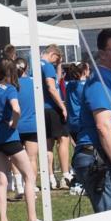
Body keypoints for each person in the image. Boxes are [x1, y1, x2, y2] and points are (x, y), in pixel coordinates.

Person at [0, 58, 39, 221]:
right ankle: (32, 219)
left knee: (1, 180)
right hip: (10, 138)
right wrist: (14, 123)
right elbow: (16, 109)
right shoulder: (10, 89)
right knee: (29, 176)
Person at [74, 29, 111, 212]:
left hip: (109, 159)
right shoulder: (99, 81)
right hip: (101, 160)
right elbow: (103, 126)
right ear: (102, 54)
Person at [40, 44, 71, 189]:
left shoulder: (36, 64)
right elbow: (52, 88)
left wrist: (58, 65)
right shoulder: (47, 66)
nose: (55, 63)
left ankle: (50, 177)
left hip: (42, 109)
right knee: (63, 139)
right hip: (52, 108)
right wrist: (62, 106)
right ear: (52, 54)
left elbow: (56, 81)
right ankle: (65, 175)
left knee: (47, 144)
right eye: (55, 60)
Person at [15, 57, 40, 197]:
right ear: (26, 68)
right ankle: (31, 187)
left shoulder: (12, 84)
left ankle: (19, 186)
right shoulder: (33, 83)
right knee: (31, 158)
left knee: (16, 158)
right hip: (31, 125)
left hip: (16, 126)